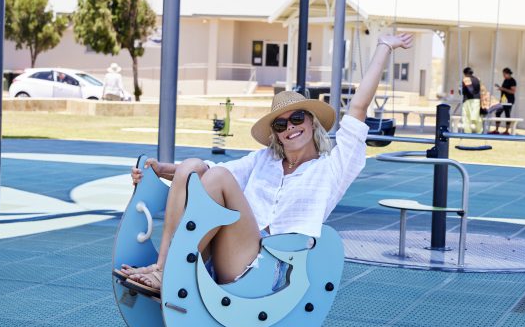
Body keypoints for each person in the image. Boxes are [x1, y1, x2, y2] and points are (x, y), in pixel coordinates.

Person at [117, 33, 414, 295]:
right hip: (227, 254)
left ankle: (167, 271)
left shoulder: (332, 168)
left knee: (216, 176)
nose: (290, 128)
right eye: (281, 124)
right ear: (275, 133)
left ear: (312, 123)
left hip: (268, 268)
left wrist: (384, 48)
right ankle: (164, 266)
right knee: (194, 166)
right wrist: (159, 171)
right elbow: (203, 175)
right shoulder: (265, 160)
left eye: (297, 118)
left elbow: (358, 108)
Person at [491, 67, 517, 134]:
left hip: (509, 101)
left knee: (507, 115)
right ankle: (496, 130)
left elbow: (513, 91)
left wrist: (503, 89)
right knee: (498, 113)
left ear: (508, 74)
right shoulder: (505, 80)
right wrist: (500, 88)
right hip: (503, 100)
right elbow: (504, 89)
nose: (503, 75)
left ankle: (507, 131)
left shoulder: (512, 81)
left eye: (504, 74)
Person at [461, 67, 483, 134]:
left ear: (465, 73)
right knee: (476, 117)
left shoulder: (466, 79)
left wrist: (462, 90)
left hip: (468, 100)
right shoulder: (477, 79)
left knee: (466, 117)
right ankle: (479, 131)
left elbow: (470, 90)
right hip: (477, 99)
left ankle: (468, 132)